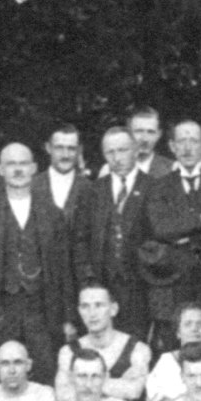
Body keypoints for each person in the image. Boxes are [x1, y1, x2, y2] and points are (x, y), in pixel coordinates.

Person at [0, 142, 72, 385]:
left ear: (34, 168)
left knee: (47, 374)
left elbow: (65, 270)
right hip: (2, 312)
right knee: (2, 376)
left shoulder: (53, 215)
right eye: (11, 164)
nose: (17, 170)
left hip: (43, 312)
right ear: (0, 170)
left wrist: (68, 317)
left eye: (23, 164)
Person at [142, 121, 201, 349]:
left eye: (193, 141)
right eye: (181, 141)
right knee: (174, 345)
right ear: (172, 146)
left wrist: (181, 233)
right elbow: (161, 228)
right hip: (172, 281)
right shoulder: (158, 188)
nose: (187, 148)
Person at [72, 127, 152, 337]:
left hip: (140, 288)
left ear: (136, 150)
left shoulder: (155, 188)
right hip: (101, 286)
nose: (117, 158)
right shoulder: (92, 191)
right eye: (110, 152)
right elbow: (80, 239)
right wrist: (87, 279)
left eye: (123, 150)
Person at [54, 284, 149, 401]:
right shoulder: (68, 351)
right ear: (79, 311)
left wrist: (82, 385)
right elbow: (62, 396)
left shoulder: (137, 348)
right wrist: (116, 385)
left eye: (99, 305)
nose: (92, 313)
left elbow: (135, 391)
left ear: (113, 309)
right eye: (85, 306)